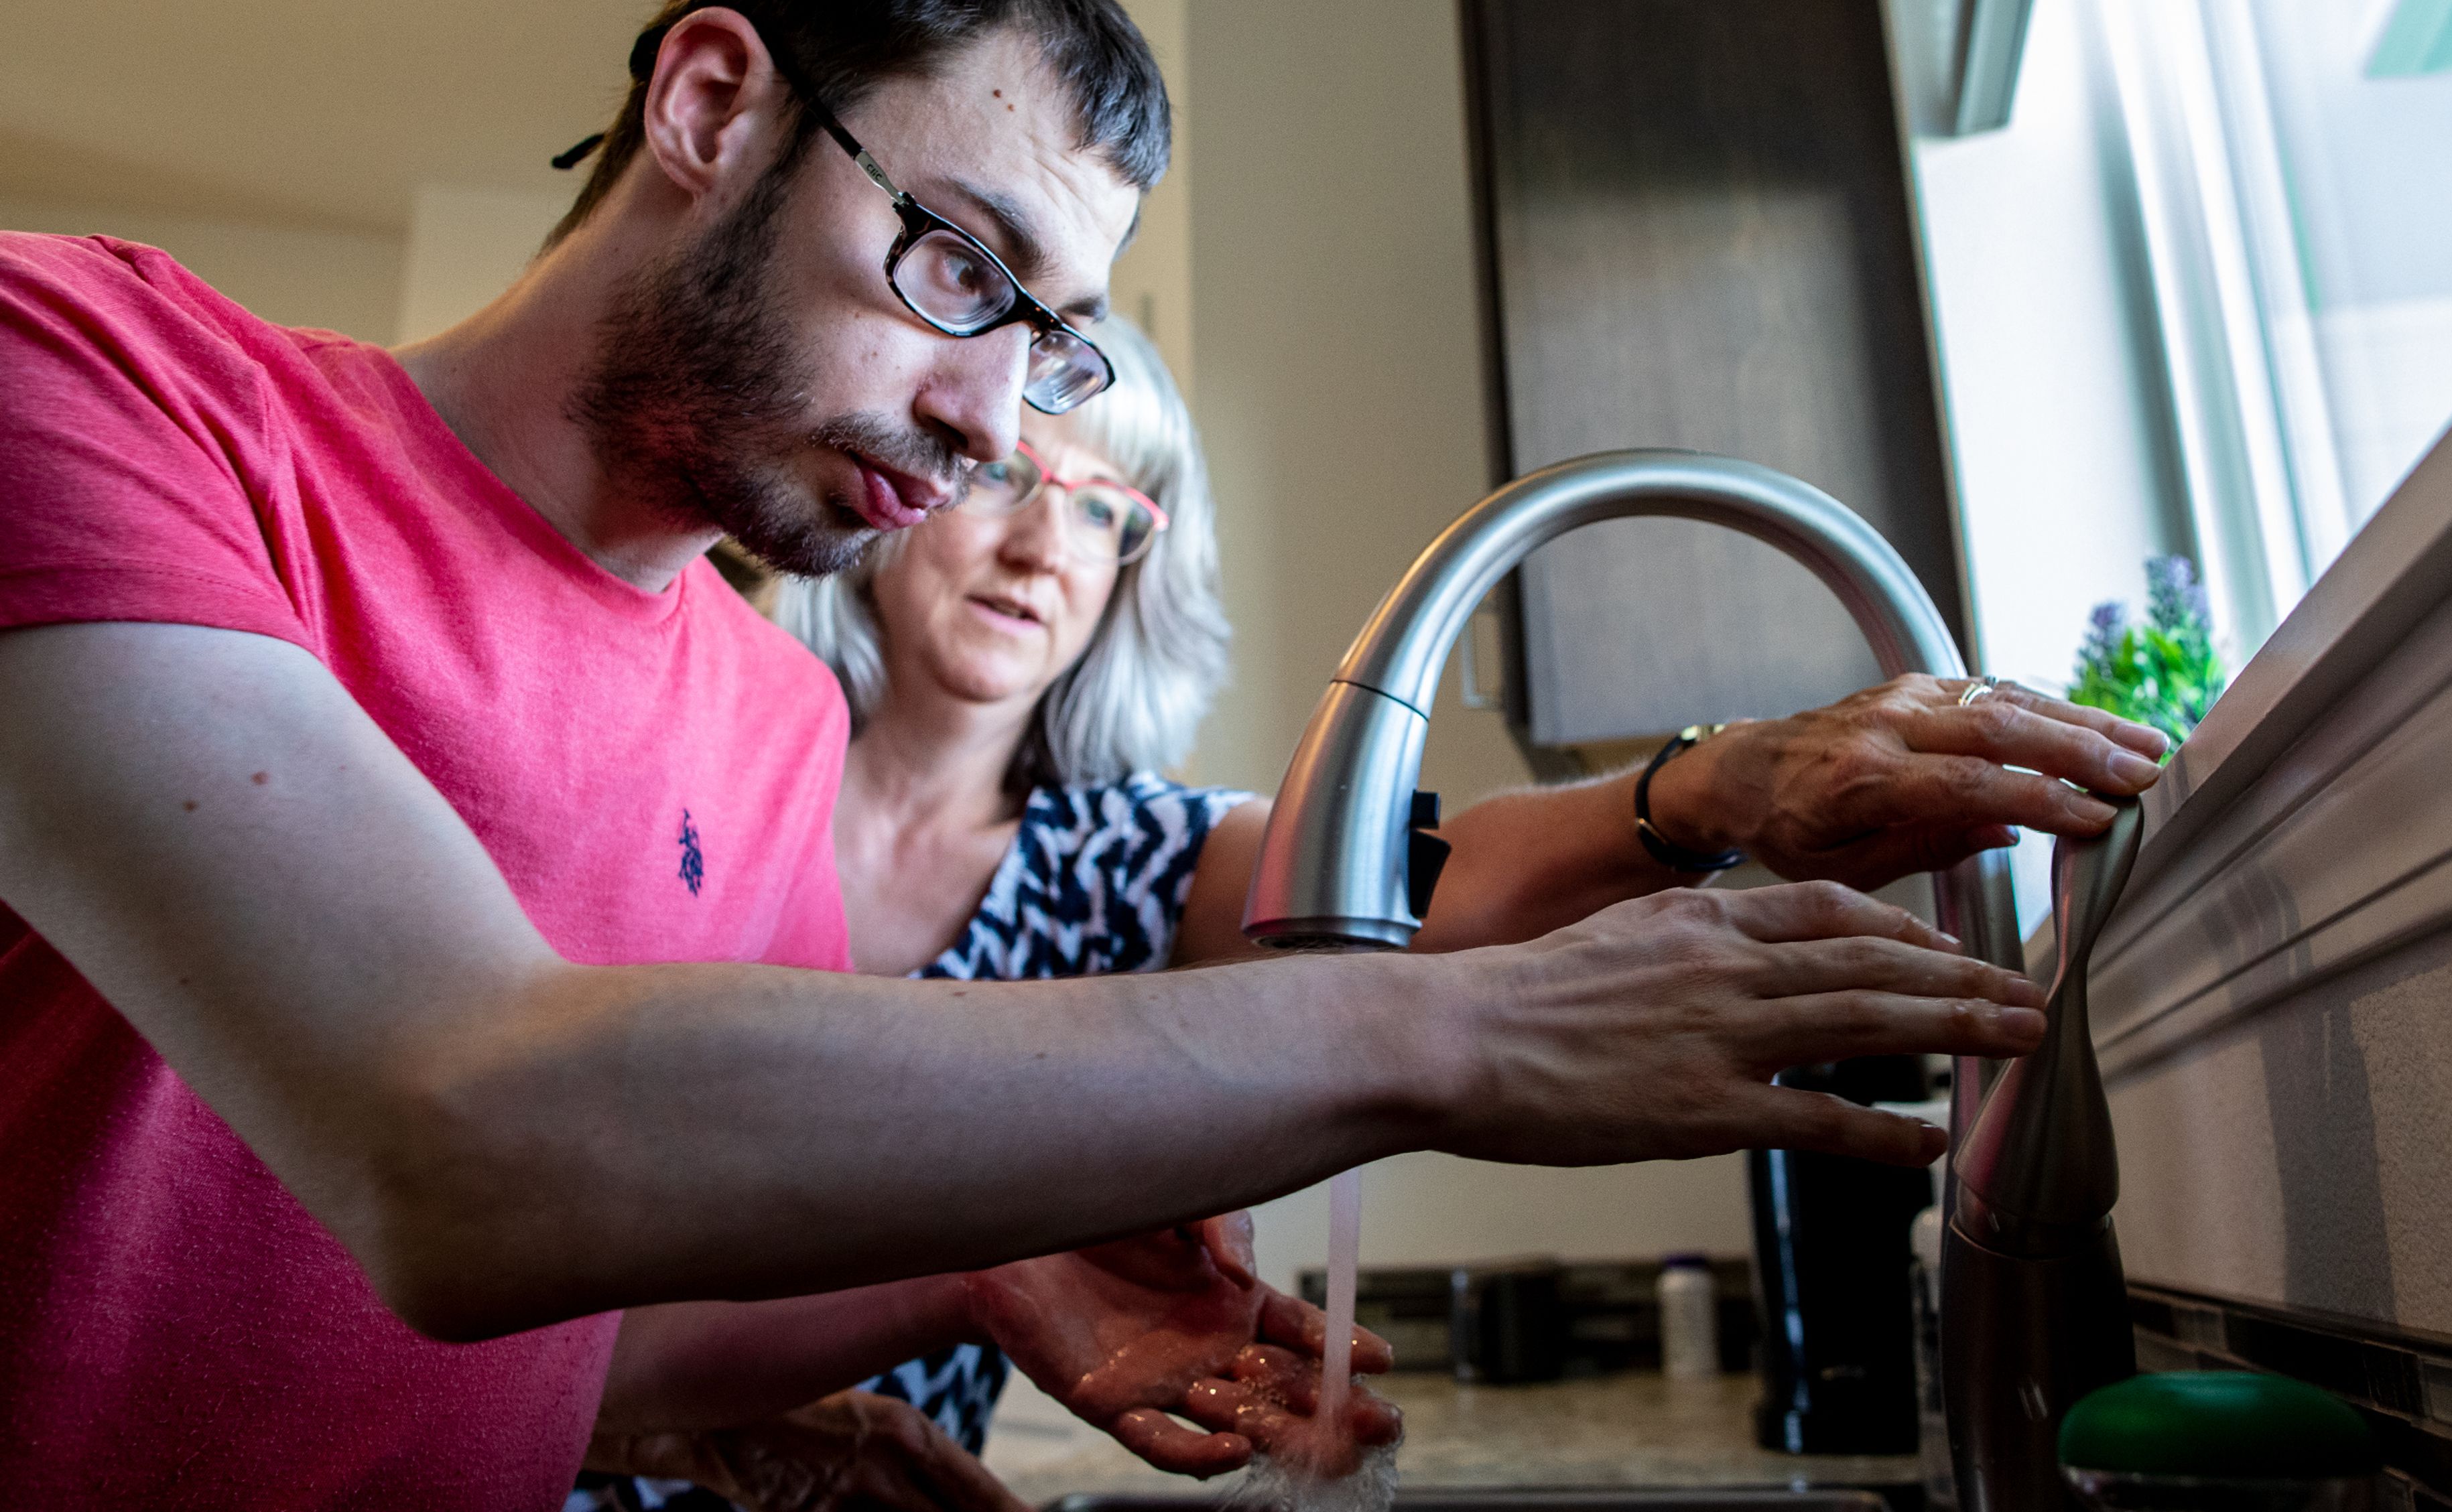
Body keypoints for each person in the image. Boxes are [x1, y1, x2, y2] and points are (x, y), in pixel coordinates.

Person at [0, 0, 2158, 1509]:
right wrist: (1431, 1035)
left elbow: (583, 1334)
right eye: (963, 269)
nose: (988, 426)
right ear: (711, 103)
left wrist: (924, 1297)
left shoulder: (758, 723)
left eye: (1054, 342)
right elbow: (453, 1131)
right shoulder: (101, 377)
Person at [574, 317, 2171, 1506]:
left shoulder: (1106, 863)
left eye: (1106, 512)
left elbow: (1401, 885)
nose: (1043, 545)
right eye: (1005, 472)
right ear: (903, 487)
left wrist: (1706, 792)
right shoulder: (683, 778)